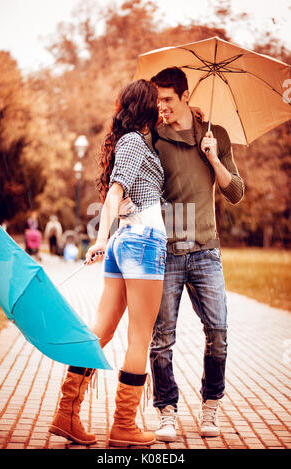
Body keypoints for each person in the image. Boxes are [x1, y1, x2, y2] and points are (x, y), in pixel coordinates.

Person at [49, 79, 167, 447]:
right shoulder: (134, 141)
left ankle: (66, 413)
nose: (162, 107)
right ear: (145, 106)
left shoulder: (130, 142)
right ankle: (125, 425)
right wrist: (100, 239)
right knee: (139, 337)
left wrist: (109, 240)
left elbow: (123, 193)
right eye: (157, 102)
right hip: (143, 242)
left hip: (125, 242)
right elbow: (116, 193)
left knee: (101, 329)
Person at [144, 67, 244, 440]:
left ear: (185, 96)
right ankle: (166, 410)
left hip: (205, 251)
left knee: (218, 330)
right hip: (166, 251)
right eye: (158, 100)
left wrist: (214, 159)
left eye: (168, 99)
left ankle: (210, 406)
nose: (162, 107)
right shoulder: (153, 137)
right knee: (162, 337)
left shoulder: (215, 135)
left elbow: (235, 193)